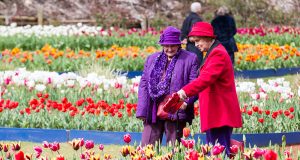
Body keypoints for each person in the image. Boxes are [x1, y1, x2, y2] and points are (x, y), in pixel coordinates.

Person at [174, 22, 242, 156]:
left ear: (207, 37)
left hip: (220, 113)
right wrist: (188, 101)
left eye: (198, 40)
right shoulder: (212, 52)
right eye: (194, 42)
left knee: (219, 151)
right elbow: (204, 83)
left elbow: (204, 80)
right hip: (216, 113)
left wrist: (183, 92)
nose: (196, 45)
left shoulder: (218, 54)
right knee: (216, 150)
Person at [136, 26, 199, 146]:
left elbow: (195, 84)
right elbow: (144, 84)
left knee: (174, 149)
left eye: (173, 45)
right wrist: (142, 110)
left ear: (179, 44)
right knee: (147, 147)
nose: (169, 49)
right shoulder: (152, 59)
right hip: (153, 110)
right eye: (166, 45)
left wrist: (186, 102)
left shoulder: (190, 59)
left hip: (176, 110)